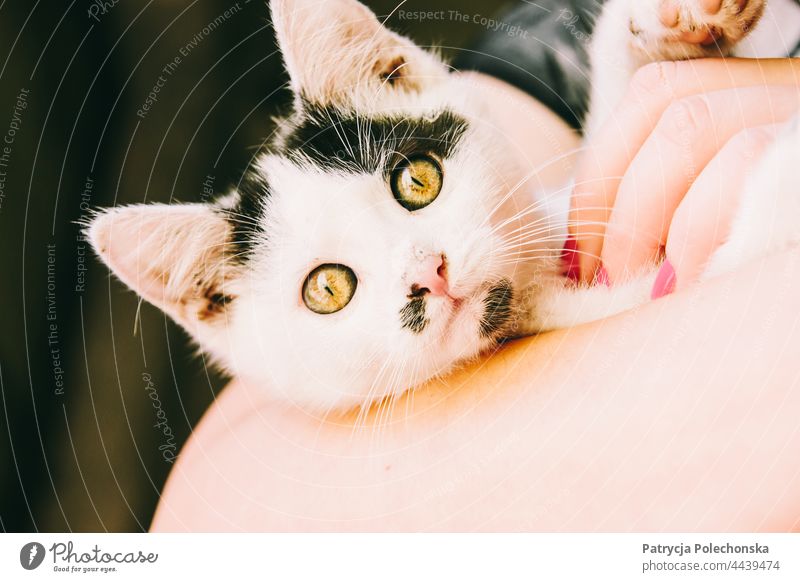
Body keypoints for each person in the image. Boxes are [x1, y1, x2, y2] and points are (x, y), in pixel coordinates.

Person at [150, 1, 800, 530]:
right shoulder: (561, 41)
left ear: (402, 74)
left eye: (417, 184)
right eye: (331, 288)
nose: (425, 270)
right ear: (218, 304)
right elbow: (213, 523)